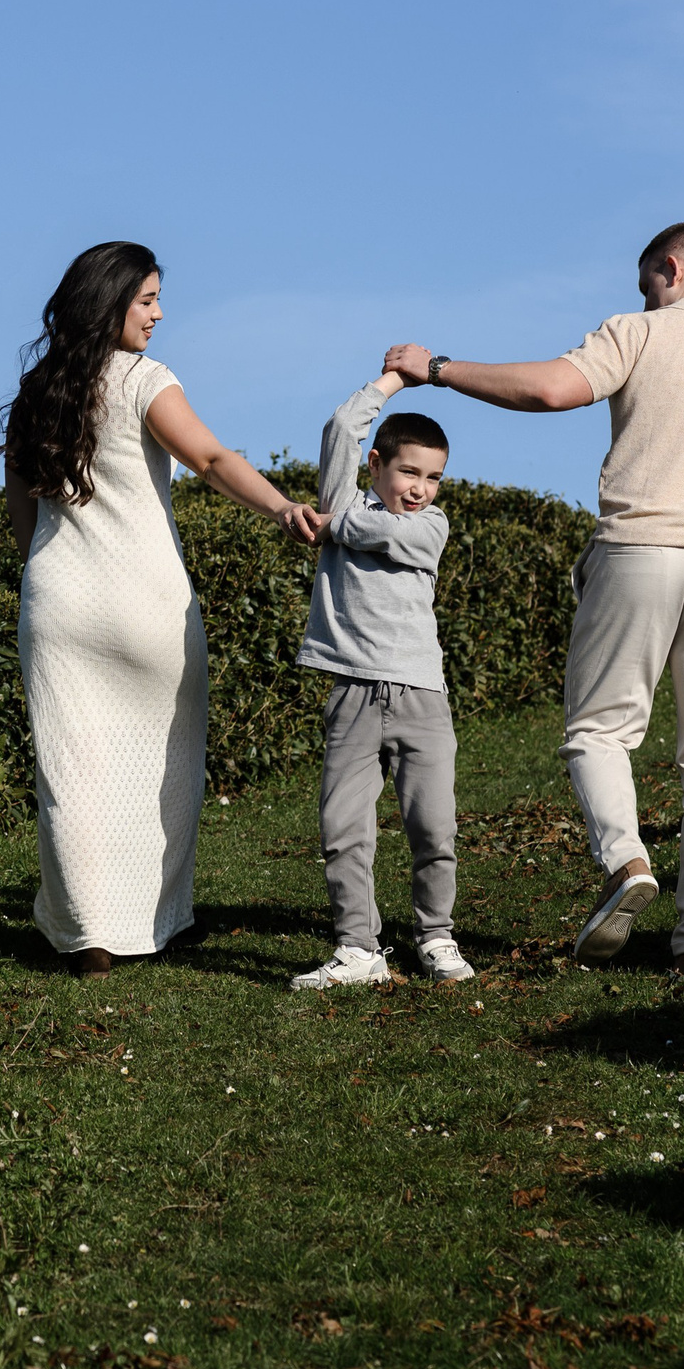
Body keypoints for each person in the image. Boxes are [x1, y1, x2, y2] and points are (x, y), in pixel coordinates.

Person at [383, 222, 684, 980]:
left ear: (673, 267)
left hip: (638, 552)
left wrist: (439, 368)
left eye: (648, 285)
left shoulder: (641, 333)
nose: (646, 298)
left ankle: (626, 857)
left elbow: (551, 388)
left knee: (598, 732)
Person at [0, 241, 320, 979]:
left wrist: (45, 571)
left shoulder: (37, 390)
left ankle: (88, 937)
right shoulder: (145, 380)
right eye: (146, 299)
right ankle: (159, 921)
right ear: (110, 302)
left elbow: (21, 508)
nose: (159, 312)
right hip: (145, 598)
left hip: (58, 600)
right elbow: (209, 459)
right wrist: (281, 507)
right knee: (167, 762)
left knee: (69, 770)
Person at [286, 371, 473, 991]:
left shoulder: (431, 526)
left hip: (423, 696)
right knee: (343, 828)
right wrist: (392, 381)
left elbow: (389, 535)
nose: (421, 489)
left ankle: (436, 936)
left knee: (433, 827)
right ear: (375, 465)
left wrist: (335, 524)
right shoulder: (346, 490)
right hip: (354, 693)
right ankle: (357, 948)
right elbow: (342, 426)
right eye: (409, 473)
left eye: (434, 477)